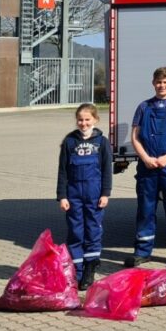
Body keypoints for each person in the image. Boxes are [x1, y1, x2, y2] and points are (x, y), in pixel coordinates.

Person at [128, 66, 166, 267]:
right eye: (158, 82)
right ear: (153, 83)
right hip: (148, 168)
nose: (162, 85)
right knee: (145, 211)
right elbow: (135, 136)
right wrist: (145, 157)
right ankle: (142, 252)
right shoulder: (143, 107)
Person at [57, 103, 112, 290]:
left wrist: (106, 193)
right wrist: (62, 196)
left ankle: (90, 269)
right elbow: (62, 171)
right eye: (80, 119)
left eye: (87, 119)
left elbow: (107, 171)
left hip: (94, 195)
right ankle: (77, 272)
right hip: (73, 196)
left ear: (95, 120)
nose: (83, 123)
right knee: (75, 232)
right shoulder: (69, 142)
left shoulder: (102, 142)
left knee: (93, 232)